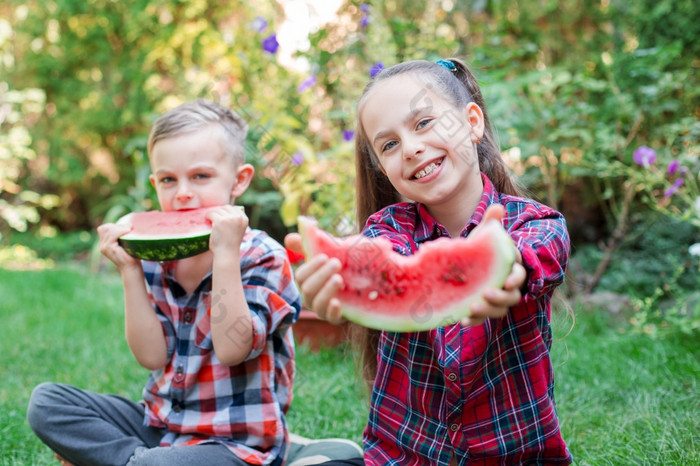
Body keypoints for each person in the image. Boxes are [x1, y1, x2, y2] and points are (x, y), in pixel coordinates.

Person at [26, 99, 362, 466]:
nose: (183, 192)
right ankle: (138, 460)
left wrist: (226, 255)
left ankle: (134, 462)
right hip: (160, 426)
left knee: (157, 463)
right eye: (169, 180)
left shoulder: (264, 256)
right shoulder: (154, 255)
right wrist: (130, 271)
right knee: (47, 402)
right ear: (155, 183)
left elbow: (233, 348)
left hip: (236, 443)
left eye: (200, 176)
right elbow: (150, 356)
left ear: (240, 180)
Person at [286, 59, 573, 464]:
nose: (411, 148)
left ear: (471, 122)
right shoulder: (387, 230)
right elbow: (380, 261)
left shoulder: (537, 223)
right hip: (403, 457)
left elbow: (538, 254)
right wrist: (336, 281)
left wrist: (509, 268)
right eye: (389, 144)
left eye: (423, 123)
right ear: (383, 168)